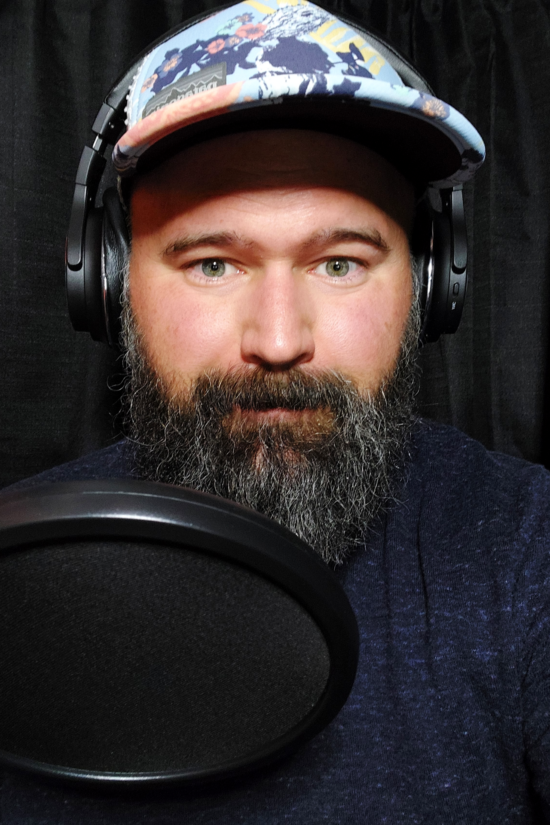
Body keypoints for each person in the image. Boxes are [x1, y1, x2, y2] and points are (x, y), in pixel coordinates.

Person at [2, 2, 550, 822]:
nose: (280, 339)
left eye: (339, 262)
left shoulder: (524, 544)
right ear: (108, 286)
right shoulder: (15, 570)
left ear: (434, 288)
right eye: (214, 263)